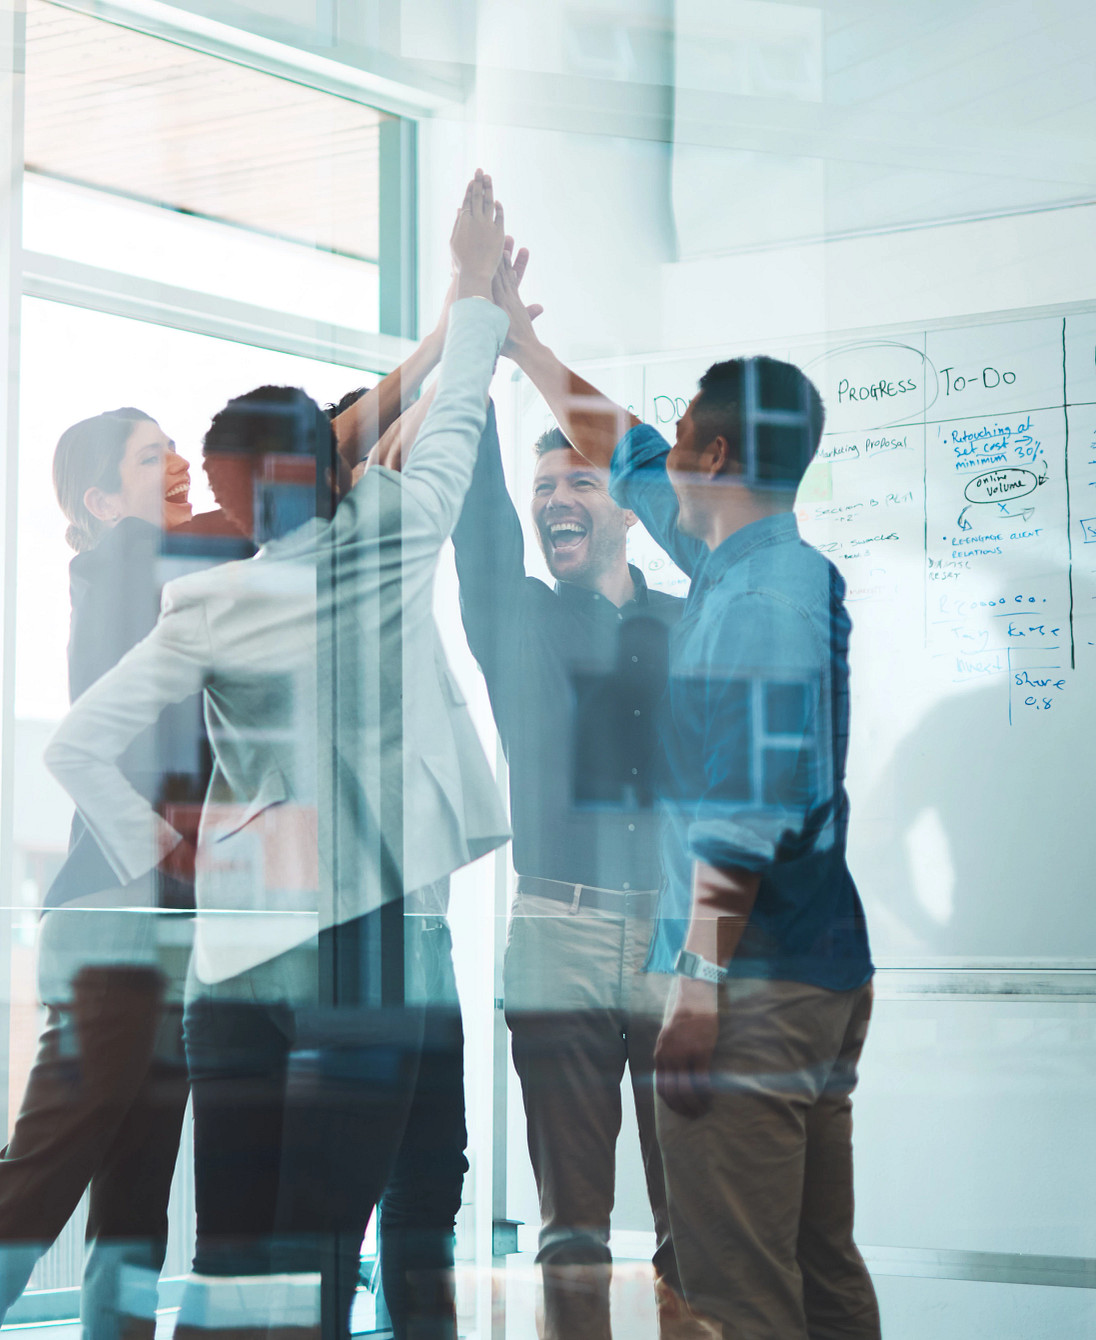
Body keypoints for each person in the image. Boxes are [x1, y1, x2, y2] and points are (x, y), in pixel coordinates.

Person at [45, 172, 517, 1340]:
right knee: (315, 1255)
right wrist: (472, 298)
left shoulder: (206, 601)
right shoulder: (397, 530)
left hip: (234, 963)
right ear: (336, 470)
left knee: (229, 1258)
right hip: (356, 953)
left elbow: (75, 747)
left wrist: (178, 851)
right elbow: (457, 411)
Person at [492, 248, 879, 1339]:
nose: (660, 446)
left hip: (751, 981)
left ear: (714, 455)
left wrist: (697, 986)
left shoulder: (755, 603)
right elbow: (624, 447)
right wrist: (523, 345)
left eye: (683, 432)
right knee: (815, 1264)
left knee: (733, 1286)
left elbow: (745, 811)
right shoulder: (745, 560)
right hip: (804, 966)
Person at [0, 409, 208, 1340]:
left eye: (176, 448)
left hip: (165, 927)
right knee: (42, 1176)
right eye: (151, 456)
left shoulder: (161, 580)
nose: (179, 464)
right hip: (117, 925)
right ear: (102, 502)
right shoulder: (122, 560)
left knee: (136, 1196)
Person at [450, 392, 700, 1339]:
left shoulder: (691, 621)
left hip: (680, 940)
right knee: (572, 1234)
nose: (555, 499)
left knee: (700, 1225)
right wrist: (480, 356)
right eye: (543, 487)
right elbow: (479, 528)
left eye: (580, 483)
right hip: (559, 934)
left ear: (629, 508)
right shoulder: (516, 619)